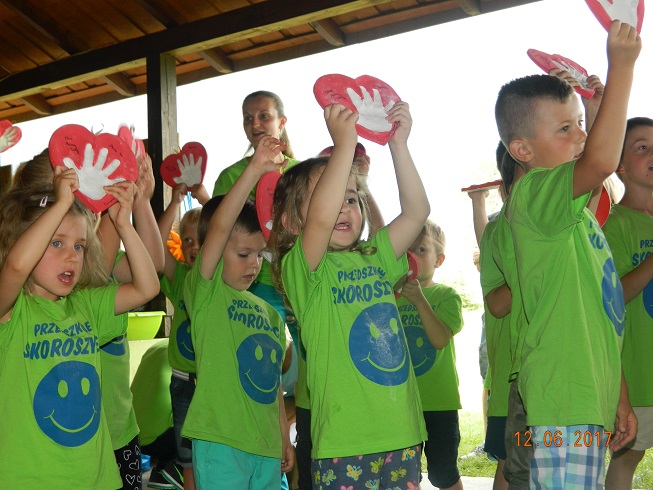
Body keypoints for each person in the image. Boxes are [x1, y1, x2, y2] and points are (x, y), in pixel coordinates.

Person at [494, 21, 640, 488]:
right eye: (564, 127)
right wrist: (623, 67)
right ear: (522, 150)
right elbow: (598, 160)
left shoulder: (577, 220)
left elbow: (600, 314)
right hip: (563, 401)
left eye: (579, 125)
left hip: (584, 400)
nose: (578, 135)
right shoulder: (535, 196)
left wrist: (617, 397)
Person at [269, 101, 429, 489]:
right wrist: (344, 147)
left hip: (402, 433)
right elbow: (320, 222)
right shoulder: (303, 267)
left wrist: (398, 145)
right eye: (331, 194)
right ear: (291, 221)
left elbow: (416, 212)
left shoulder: (375, 257)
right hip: (342, 442)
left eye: (352, 198)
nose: (344, 206)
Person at [0, 166, 159, 489]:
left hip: (97, 478)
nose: (71, 258)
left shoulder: (87, 306)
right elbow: (16, 266)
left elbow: (147, 287)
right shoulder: (13, 312)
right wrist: (60, 204)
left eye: (79, 246)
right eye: (56, 244)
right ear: (25, 241)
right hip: (28, 480)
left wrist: (123, 224)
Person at [182, 135, 293, 489]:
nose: (254, 264)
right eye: (243, 254)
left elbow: (271, 380)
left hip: (265, 444)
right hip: (221, 442)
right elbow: (218, 229)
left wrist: (281, 433)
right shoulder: (207, 291)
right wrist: (256, 169)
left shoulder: (271, 315)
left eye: (259, 255)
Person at [395, 220, 464, 490]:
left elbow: (439, 339)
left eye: (421, 250)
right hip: (402, 404)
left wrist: (420, 299)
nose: (412, 256)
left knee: (443, 473)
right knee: (405, 475)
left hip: (440, 404)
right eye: (408, 250)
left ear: (440, 260)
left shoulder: (447, 296)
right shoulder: (392, 298)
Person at [603, 117, 653, 489]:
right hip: (636, 381)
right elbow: (611, 297)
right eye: (642, 147)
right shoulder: (612, 224)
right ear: (618, 164)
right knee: (624, 463)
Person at [157, 182, 204, 490]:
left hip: (215, 382)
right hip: (184, 382)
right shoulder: (181, 277)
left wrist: (202, 196)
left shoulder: (224, 278)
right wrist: (174, 203)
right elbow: (155, 243)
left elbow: (234, 231)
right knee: (187, 459)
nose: (193, 245)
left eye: (202, 238)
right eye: (187, 239)